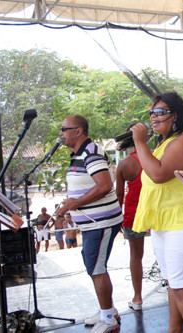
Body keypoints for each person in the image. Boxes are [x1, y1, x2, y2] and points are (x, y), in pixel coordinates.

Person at [131, 92, 183, 333]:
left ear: (175, 116)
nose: (153, 117)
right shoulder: (164, 144)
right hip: (166, 224)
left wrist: (139, 142)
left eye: (160, 112)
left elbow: (158, 175)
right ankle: (174, 330)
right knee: (173, 284)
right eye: (151, 112)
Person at [56, 115, 123, 333]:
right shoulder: (78, 154)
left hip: (101, 222)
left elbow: (104, 185)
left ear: (78, 131)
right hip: (91, 223)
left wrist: (77, 203)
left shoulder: (91, 153)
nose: (61, 133)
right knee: (94, 266)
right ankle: (108, 311)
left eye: (64, 129)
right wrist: (69, 205)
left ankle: (109, 321)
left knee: (96, 268)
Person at [115, 124, 148, 311]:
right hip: (158, 213)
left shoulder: (125, 164)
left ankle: (137, 298)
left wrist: (119, 216)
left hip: (134, 215)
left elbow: (119, 196)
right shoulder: (156, 158)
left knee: (136, 256)